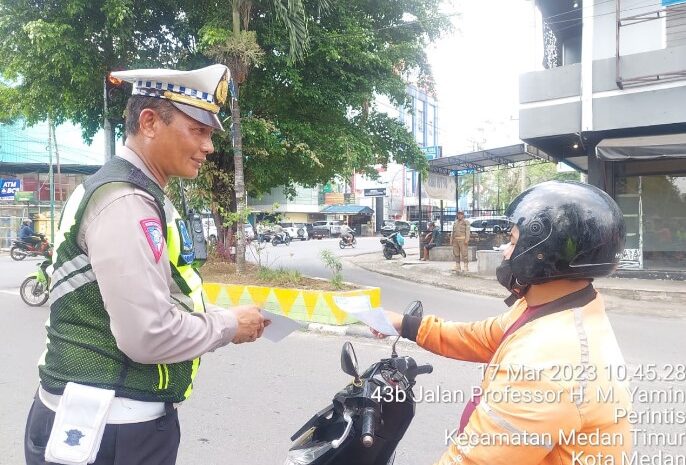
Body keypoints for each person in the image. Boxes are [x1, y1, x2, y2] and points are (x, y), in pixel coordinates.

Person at [24, 64, 268, 465]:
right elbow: (147, 335)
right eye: (198, 130)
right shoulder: (126, 202)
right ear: (150, 122)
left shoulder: (126, 189)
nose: (208, 147)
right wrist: (228, 325)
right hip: (110, 429)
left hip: (100, 420)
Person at [373, 181, 632, 465]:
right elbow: (480, 337)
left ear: (541, 251)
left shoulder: (547, 365)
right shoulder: (558, 307)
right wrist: (405, 325)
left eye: (511, 240)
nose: (504, 251)